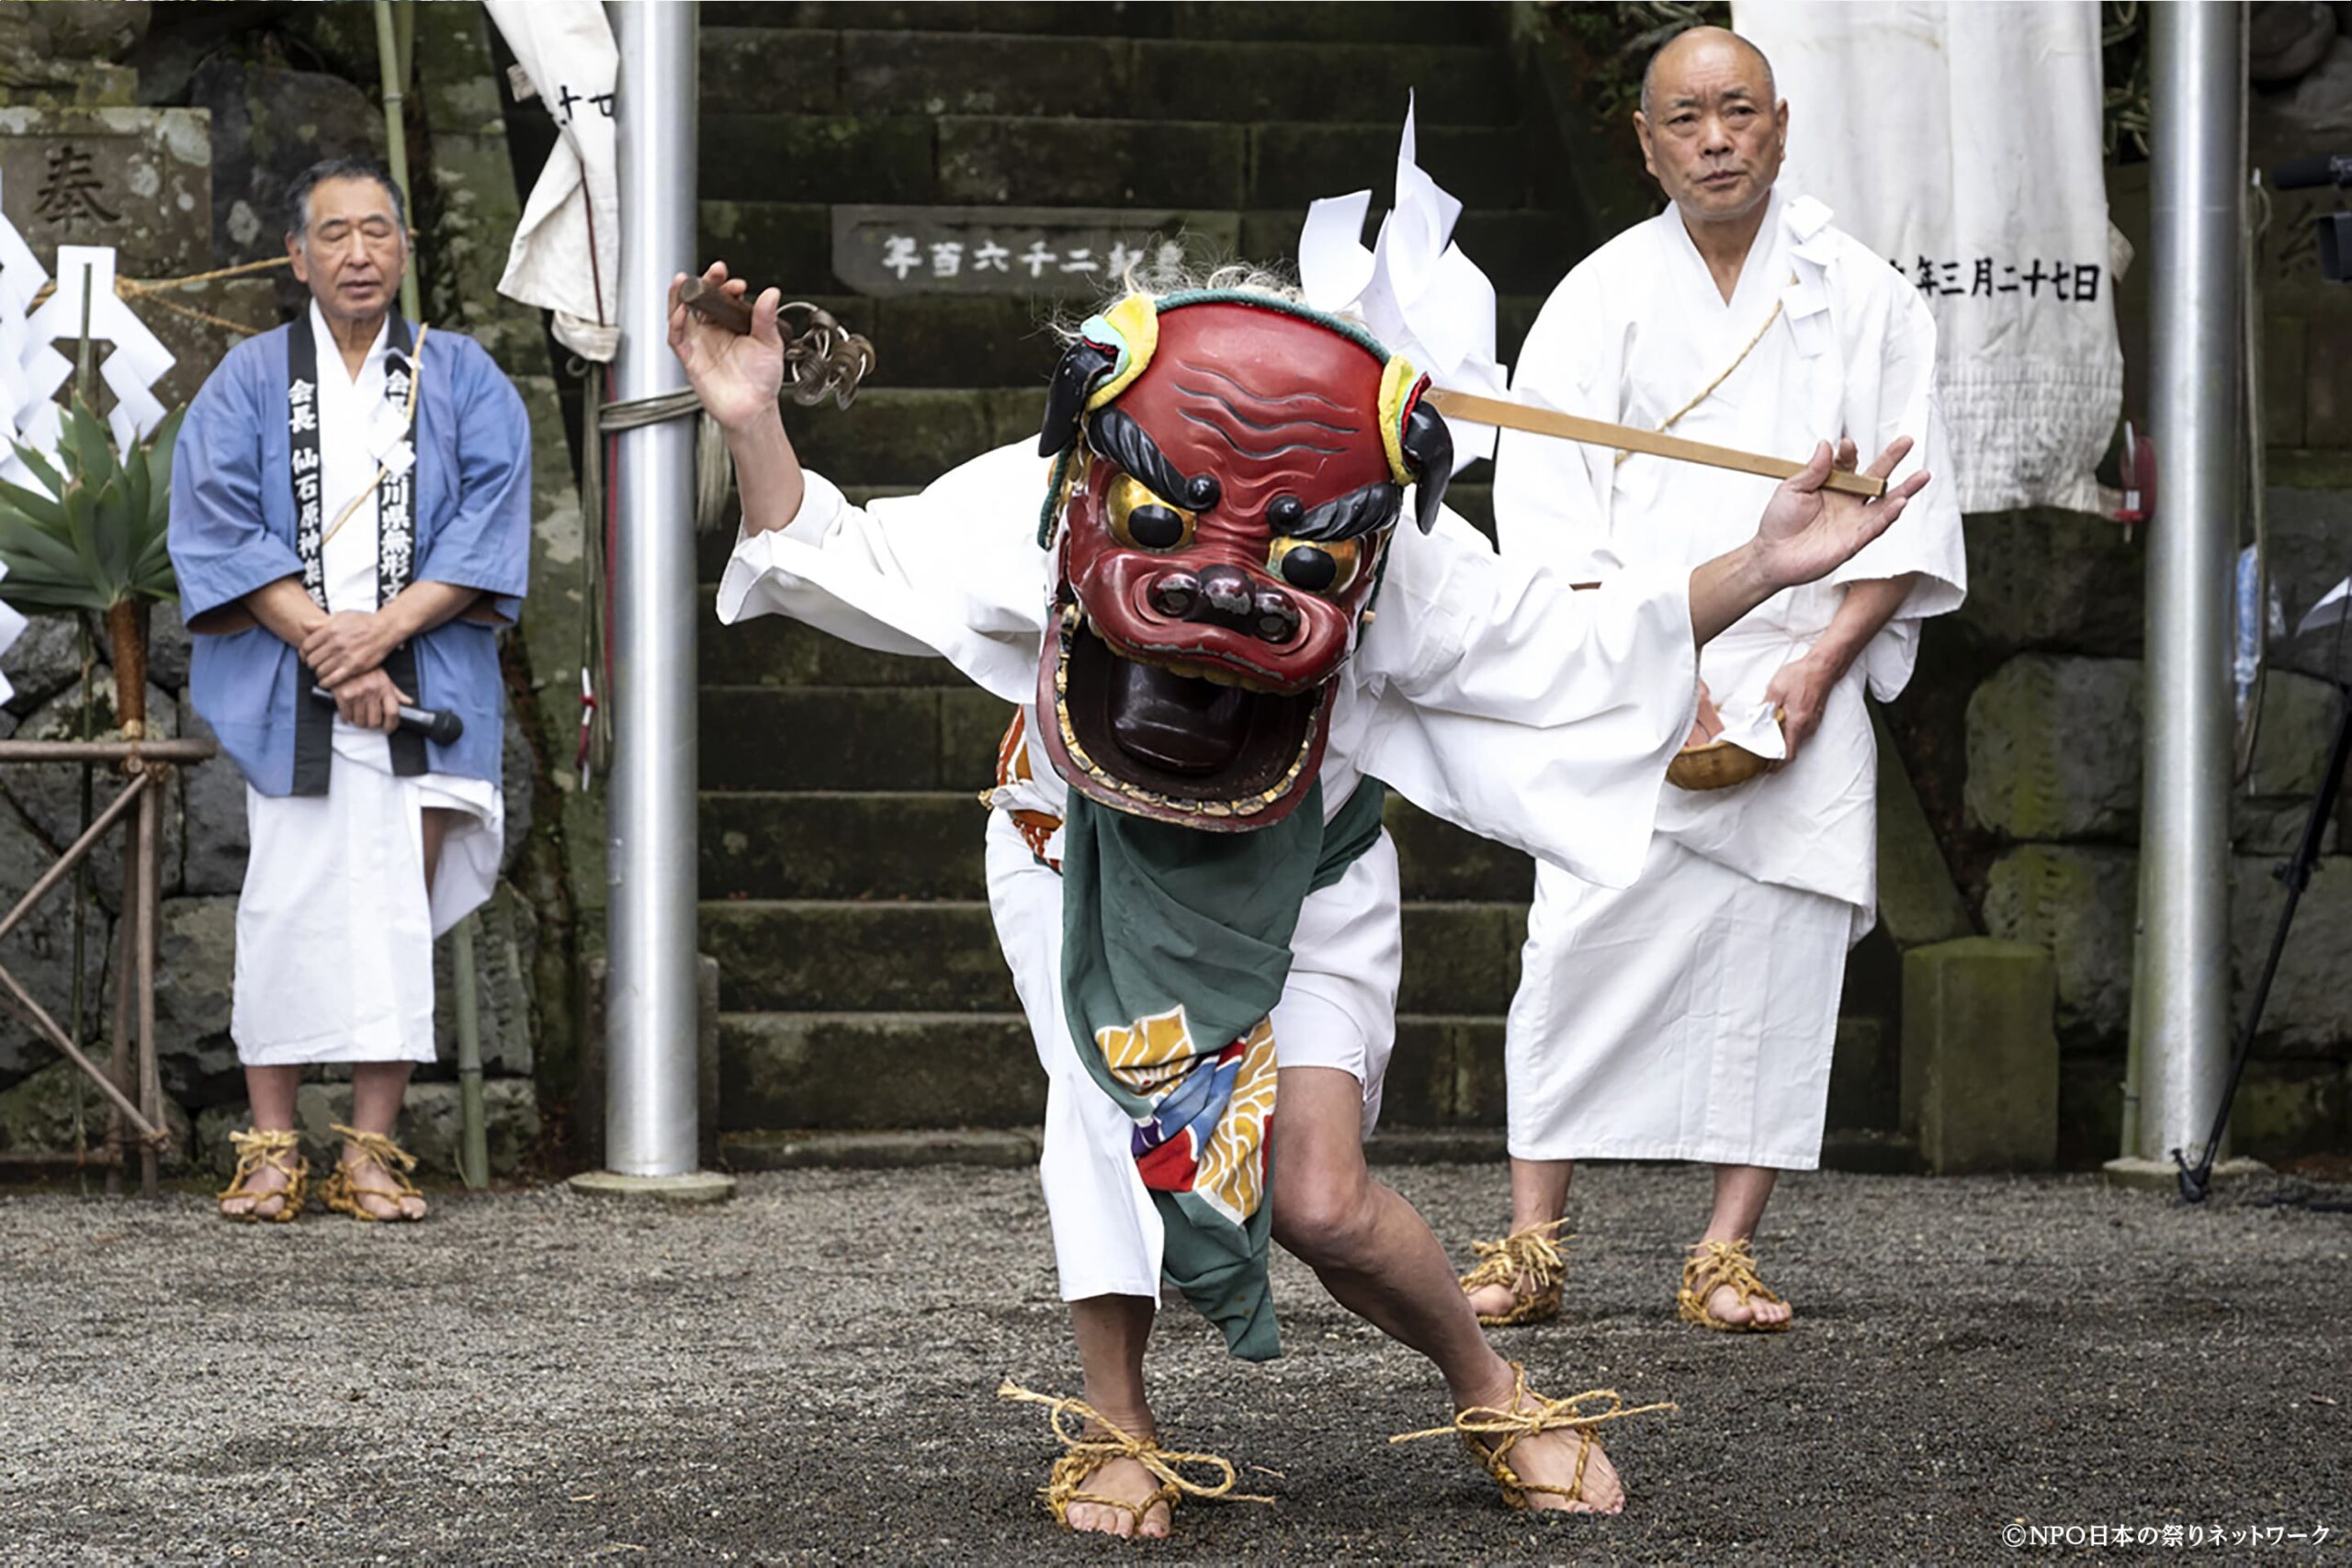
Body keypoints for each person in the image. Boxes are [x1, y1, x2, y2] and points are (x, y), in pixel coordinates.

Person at [673, 258, 1930, 1536]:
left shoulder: (1384, 542)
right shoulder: (1056, 493)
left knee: (1322, 1197)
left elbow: (1578, 642)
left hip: (1304, 877)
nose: (1224, 576)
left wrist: (1770, 564)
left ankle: (1491, 1386)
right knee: (1112, 1115)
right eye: (1174, 516)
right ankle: (1118, 1423)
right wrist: (750, 418)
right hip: (1076, 862)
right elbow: (843, 555)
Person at [1458, 26, 1966, 1334]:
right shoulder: (1597, 295)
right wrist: (1641, 666)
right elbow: (1548, 512)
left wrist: (1820, 662)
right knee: (1573, 939)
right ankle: (1531, 1239)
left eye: (1738, 112)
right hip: (1637, 663)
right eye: (1685, 119)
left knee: (1781, 957)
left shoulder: (1867, 297)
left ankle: (1726, 1248)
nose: (1716, 139)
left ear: (1782, 124)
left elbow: (1907, 515)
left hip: (1797, 663)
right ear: (1644, 142)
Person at [170, 156, 531, 1224]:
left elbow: (491, 517)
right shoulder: (246, 380)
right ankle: (272, 1150)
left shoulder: (463, 376)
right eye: (335, 234)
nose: (359, 252)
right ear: (297, 255)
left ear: (406, 248)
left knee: (393, 916)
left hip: (429, 679)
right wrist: (334, 647)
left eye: (378, 231)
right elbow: (219, 522)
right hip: (292, 685)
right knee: (283, 908)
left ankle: (370, 1152)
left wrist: (385, 635)